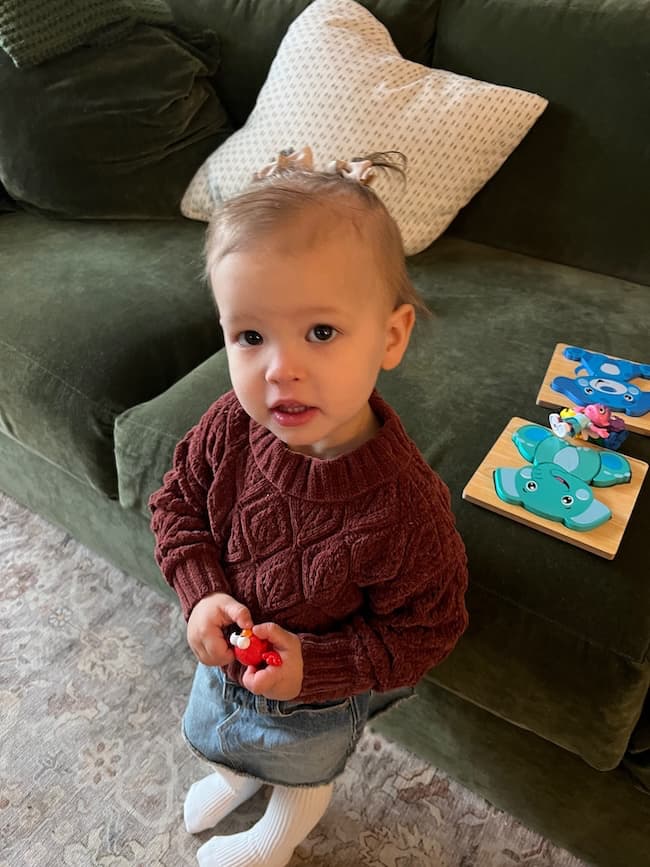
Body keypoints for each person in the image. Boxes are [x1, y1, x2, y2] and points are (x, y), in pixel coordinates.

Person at [149, 148, 469, 867]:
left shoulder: (404, 509)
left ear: (390, 336)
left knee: (300, 770)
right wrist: (202, 596)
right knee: (223, 731)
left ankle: (275, 834)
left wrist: (314, 670)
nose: (279, 369)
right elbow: (176, 506)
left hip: (315, 691)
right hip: (228, 653)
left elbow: (429, 630)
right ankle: (233, 776)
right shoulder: (231, 422)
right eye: (250, 335)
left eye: (320, 332)